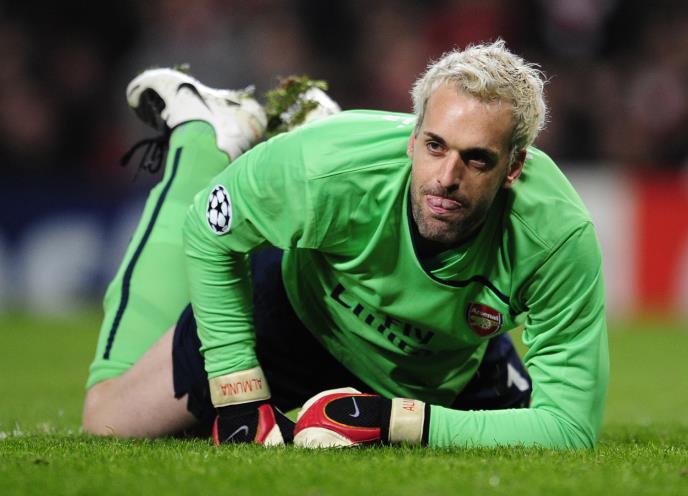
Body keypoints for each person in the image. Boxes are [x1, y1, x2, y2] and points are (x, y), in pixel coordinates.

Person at [83, 40, 608, 449]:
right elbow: (209, 227)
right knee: (106, 421)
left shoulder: (557, 236)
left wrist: (392, 420)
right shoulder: (327, 169)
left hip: (444, 364)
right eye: (434, 146)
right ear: (412, 138)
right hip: (297, 314)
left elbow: (569, 427)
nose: (446, 177)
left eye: (477, 159)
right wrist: (237, 391)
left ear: (514, 166)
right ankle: (205, 134)